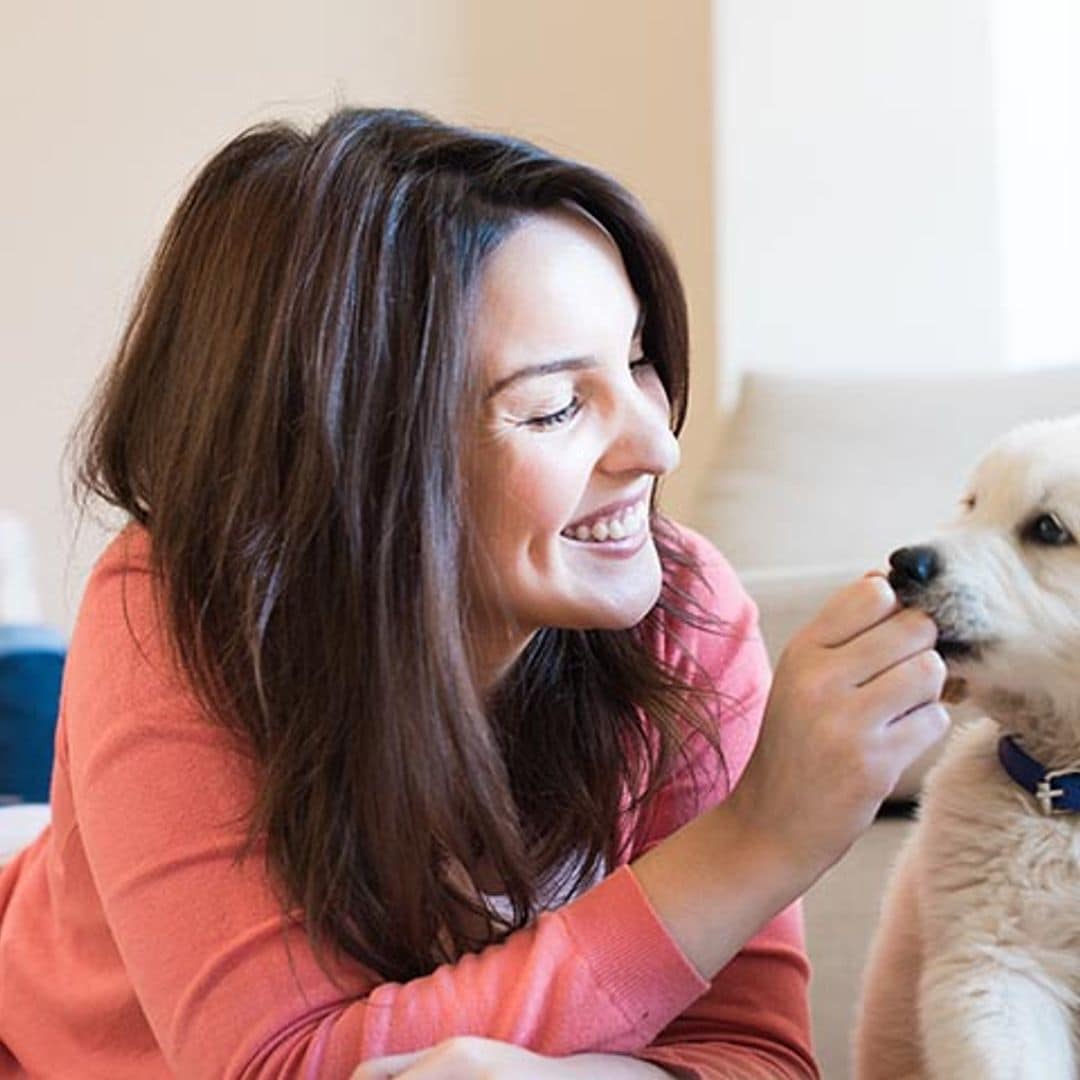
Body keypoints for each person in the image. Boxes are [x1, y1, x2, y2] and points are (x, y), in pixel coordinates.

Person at [0, 107, 948, 1079]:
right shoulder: (183, 603)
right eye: (555, 406)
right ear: (352, 458)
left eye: (635, 362)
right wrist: (756, 842)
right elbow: (281, 1066)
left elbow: (755, 1055)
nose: (658, 447)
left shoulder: (684, 612)